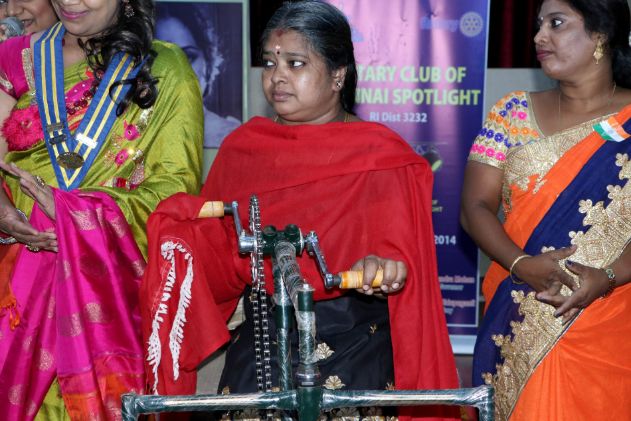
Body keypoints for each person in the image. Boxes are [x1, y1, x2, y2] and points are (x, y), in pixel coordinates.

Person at [141, 1, 459, 420]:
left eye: (295, 63)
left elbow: (398, 265)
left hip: (355, 341)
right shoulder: (243, 149)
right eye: (270, 63)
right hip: (262, 341)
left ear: (338, 75)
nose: (277, 77)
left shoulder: (380, 155)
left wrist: (382, 270)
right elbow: (218, 253)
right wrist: (178, 229)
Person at [0, 0, 203, 417]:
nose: (70, 2)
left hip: (107, 296)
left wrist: (78, 212)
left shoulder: (165, 69)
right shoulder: (17, 59)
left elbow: (175, 194)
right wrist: (3, 211)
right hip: (16, 286)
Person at [461, 0, 631, 419]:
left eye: (557, 23)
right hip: (517, 312)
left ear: (600, 34)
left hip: (611, 320)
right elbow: (474, 207)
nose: (539, 37)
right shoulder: (511, 113)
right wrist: (522, 264)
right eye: (539, 25)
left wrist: (609, 277)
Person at [155, 3, 241, 148]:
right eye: (161, 58)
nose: (177, 71)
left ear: (208, 62)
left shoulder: (232, 136)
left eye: (188, 57)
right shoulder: (128, 135)